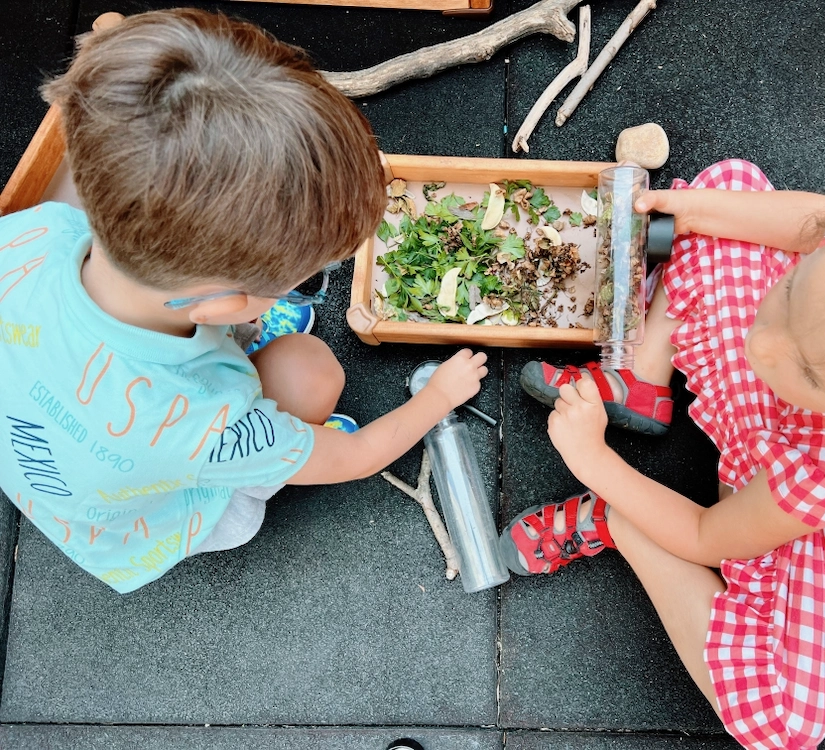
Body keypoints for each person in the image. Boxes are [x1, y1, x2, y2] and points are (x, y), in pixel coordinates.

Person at [502, 159, 825, 748]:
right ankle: (640, 378)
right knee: (726, 190)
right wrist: (696, 214)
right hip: (793, 429)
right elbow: (811, 225)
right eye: (791, 292)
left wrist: (596, 463)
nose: (758, 344)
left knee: (782, 725)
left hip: (811, 511)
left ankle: (621, 522)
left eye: (811, 370)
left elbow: (707, 535)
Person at [0, 9, 487, 594]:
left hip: (59, 445)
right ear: (222, 303)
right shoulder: (204, 426)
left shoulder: (34, 231)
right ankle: (249, 474)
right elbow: (354, 455)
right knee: (309, 372)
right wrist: (438, 398)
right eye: (294, 280)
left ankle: (238, 348)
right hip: (159, 517)